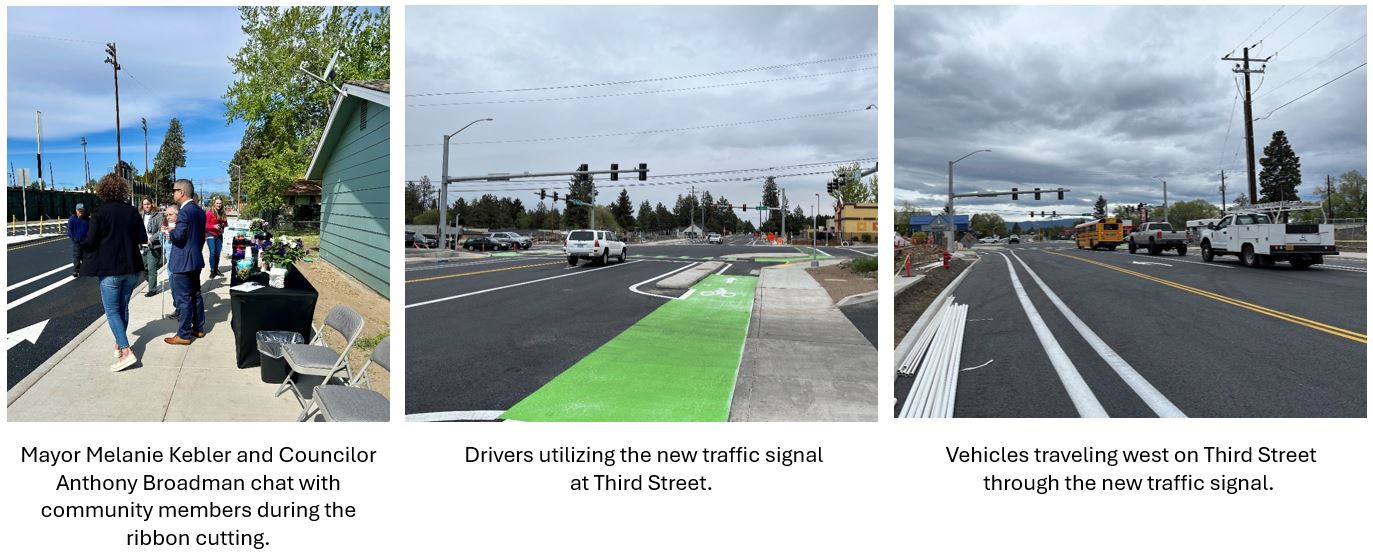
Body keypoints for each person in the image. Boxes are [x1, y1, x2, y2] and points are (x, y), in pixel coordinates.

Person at [80, 174, 148, 372]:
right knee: (122, 307)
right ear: (123, 190)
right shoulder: (132, 212)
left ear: (103, 191)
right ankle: (119, 343)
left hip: (110, 269)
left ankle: (126, 351)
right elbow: (142, 238)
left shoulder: (100, 213)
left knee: (111, 311)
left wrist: (81, 244)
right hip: (132, 268)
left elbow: (90, 242)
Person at [165, 179, 207, 345]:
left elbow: (179, 236)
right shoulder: (199, 211)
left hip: (183, 262)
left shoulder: (184, 212)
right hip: (195, 260)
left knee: (184, 299)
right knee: (195, 295)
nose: (173, 193)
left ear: (181, 192)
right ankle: (198, 328)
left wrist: (171, 232)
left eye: (174, 190)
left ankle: (183, 334)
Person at [140, 199, 165, 297]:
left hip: (154, 246)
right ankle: (151, 281)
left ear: (152, 204)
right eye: (145, 204)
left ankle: (152, 289)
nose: (147, 206)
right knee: (144, 269)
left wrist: (152, 238)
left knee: (151, 268)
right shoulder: (140, 216)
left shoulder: (158, 216)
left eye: (148, 204)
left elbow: (161, 230)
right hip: (142, 246)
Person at [161, 206, 180, 319]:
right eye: (167, 215)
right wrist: (163, 232)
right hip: (170, 262)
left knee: (179, 287)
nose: (168, 217)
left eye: (170, 215)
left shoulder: (181, 225)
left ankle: (183, 310)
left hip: (179, 262)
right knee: (173, 286)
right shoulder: (166, 223)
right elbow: (163, 240)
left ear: (177, 214)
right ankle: (177, 307)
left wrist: (173, 232)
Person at [206, 197, 228, 277]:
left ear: (222, 204)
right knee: (213, 252)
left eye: (220, 203)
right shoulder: (209, 213)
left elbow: (225, 223)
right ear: (214, 204)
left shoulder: (222, 213)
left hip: (219, 235)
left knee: (217, 253)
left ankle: (216, 269)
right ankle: (212, 271)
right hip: (210, 234)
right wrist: (213, 226)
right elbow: (205, 225)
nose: (219, 205)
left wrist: (223, 225)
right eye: (217, 203)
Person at [67, 203, 90, 278]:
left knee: (85, 256)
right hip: (76, 241)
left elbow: (90, 229)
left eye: (82, 211)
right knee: (76, 256)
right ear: (76, 211)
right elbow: (70, 230)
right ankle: (76, 271)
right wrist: (73, 238)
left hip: (85, 241)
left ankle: (84, 269)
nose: (80, 212)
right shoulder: (72, 219)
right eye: (79, 211)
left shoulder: (87, 219)